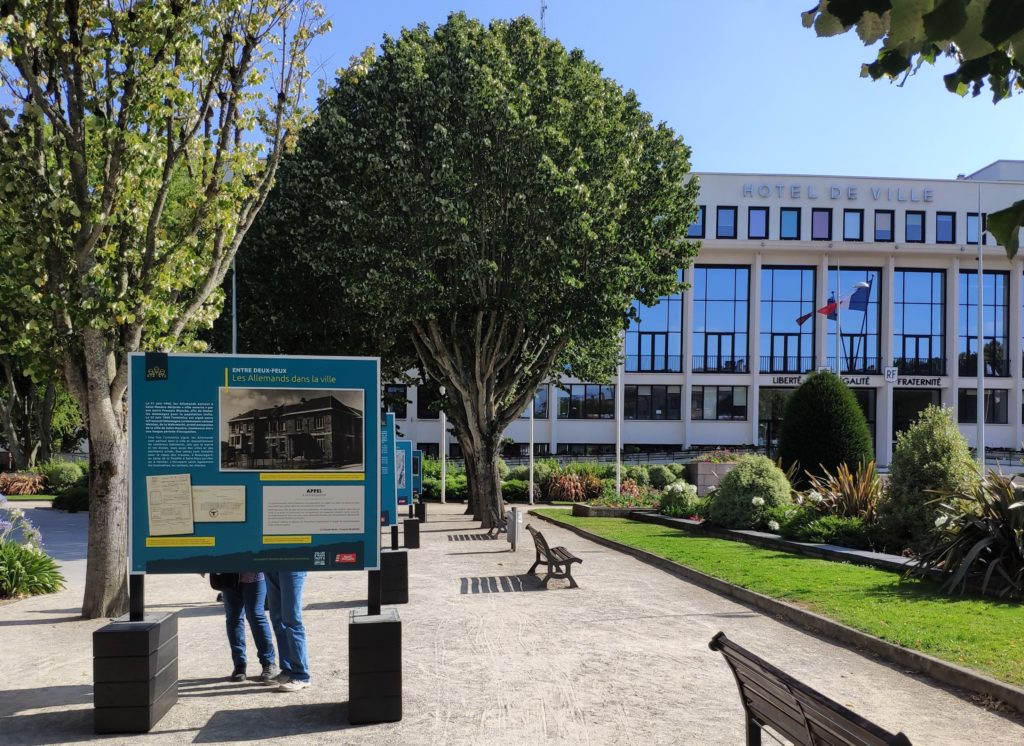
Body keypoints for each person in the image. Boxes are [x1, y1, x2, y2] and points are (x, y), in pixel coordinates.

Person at [222, 572, 278, 683]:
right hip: (228, 575)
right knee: (233, 618)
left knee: (256, 616)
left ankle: (268, 662)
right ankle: (239, 665)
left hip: (255, 575)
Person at [264, 570, 310, 692]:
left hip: (293, 563)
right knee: (277, 619)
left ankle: (301, 675)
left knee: (292, 620)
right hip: (270, 562)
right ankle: (288, 670)